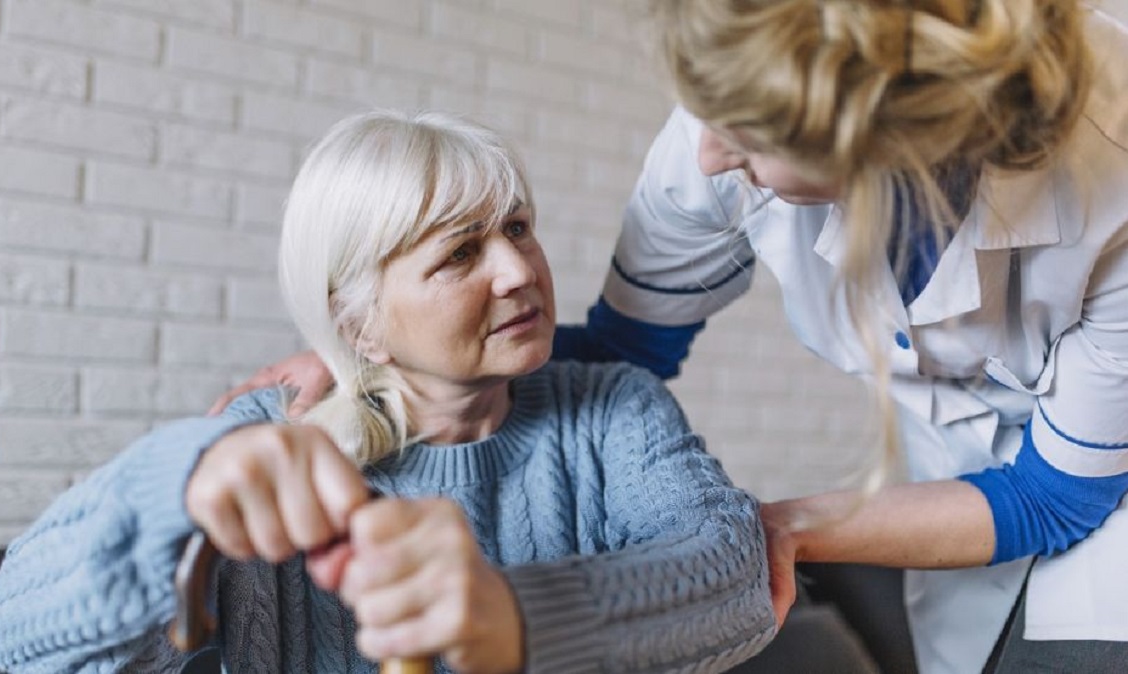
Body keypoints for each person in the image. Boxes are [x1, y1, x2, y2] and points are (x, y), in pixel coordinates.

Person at [213, 2, 1128, 673]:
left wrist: (775, 529)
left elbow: (1054, 496)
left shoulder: (1111, 178)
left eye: (519, 230)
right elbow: (623, 348)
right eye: (457, 254)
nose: (708, 156)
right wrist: (368, 366)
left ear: (872, 145)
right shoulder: (725, 113)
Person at [0, 110, 777, 674]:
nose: (517, 270)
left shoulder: (614, 411)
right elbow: (21, 643)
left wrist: (513, 615)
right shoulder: (265, 449)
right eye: (460, 253)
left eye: (519, 227)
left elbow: (736, 577)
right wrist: (167, 490)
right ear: (356, 322)